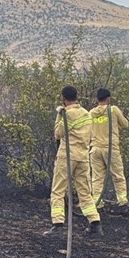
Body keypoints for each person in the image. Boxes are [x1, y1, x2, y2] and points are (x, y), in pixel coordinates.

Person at [49, 86, 102, 233]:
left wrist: (59, 115)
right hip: (83, 157)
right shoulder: (86, 113)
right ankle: (95, 222)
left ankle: (58, 223)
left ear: (63, 98)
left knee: (58, 190)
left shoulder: (66, 114)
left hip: (67, 156)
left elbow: (58, 134)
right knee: (85, 191)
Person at [89, 88, 129, 211]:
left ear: (96, 99)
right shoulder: (113, 110)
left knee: (97, 178)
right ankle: (122, 202)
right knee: (117, 175)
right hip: (110, 149)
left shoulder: (91, 113)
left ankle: (97, 202)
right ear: (108, 99)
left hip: (95, 149)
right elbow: (125, 125)